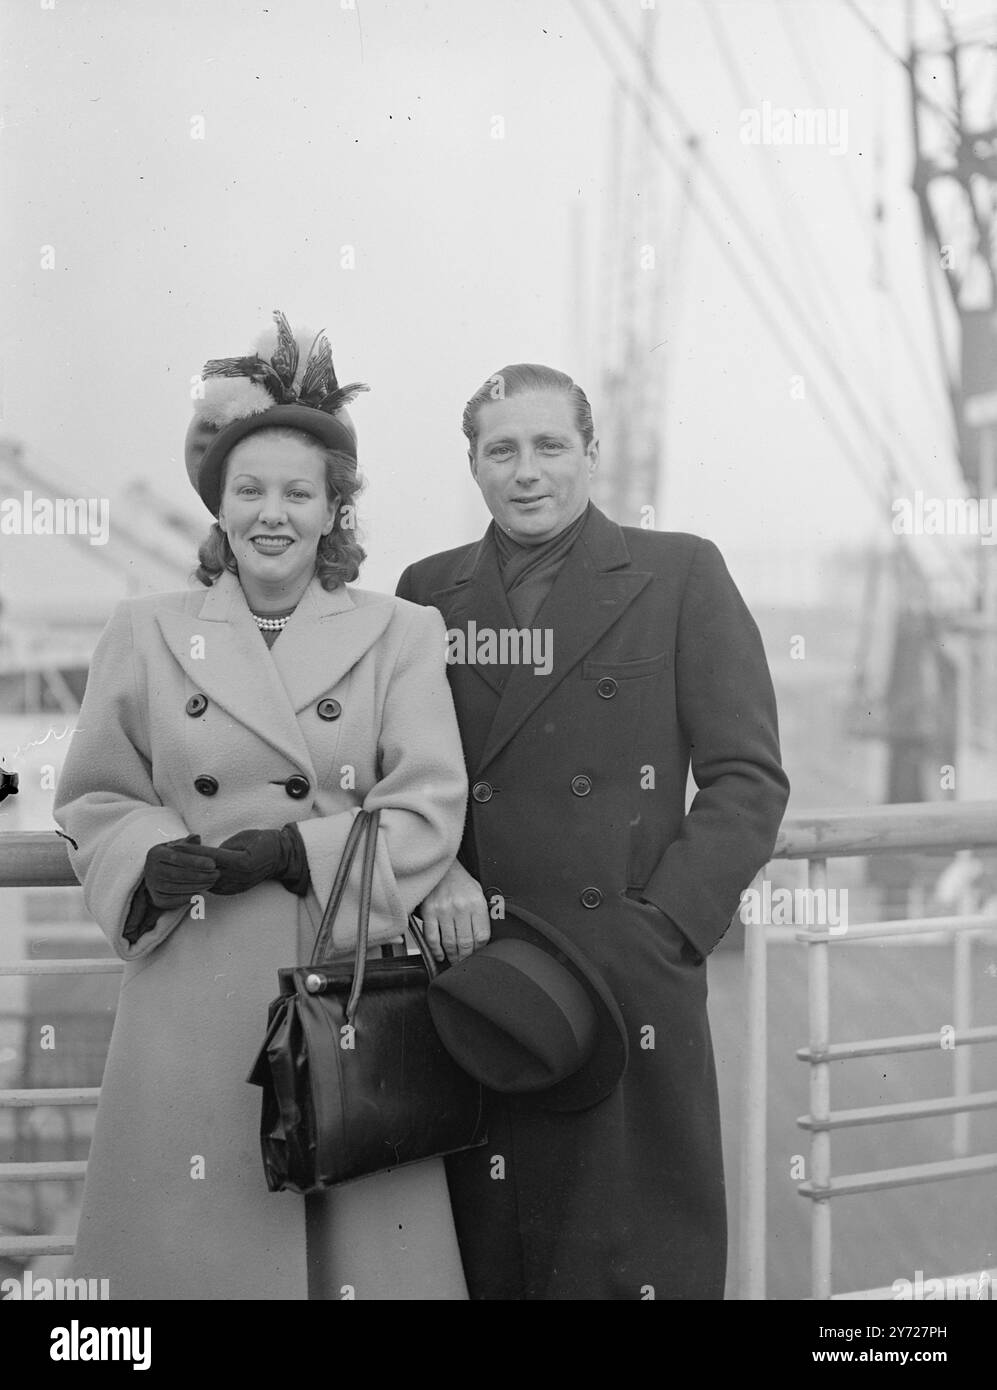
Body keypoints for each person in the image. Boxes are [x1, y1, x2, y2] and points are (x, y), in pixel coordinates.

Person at [53, 312, 470, 1301]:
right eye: (249, 491)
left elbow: (426, 803)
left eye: (298, 493)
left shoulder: (401, 633)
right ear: (220, 508)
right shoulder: (143, 629)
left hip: (336, 988)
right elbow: (96, 793)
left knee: (347, 1262)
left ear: (336, 513)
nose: (271, 512)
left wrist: (295, 850)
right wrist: (149, 852)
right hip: (189, 986)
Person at [396, 362, 790, 1300]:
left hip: (625, 980)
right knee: (494, 1253)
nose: (526, 471)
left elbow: (747, 778)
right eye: (501, 450)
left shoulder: (679, 571)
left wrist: (661, 928)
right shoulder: (426, 591)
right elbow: (398, 769)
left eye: (548, 446)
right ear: (474, 465)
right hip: (483, 976)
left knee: (628, 1255)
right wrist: (437, 868)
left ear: (590, 454)